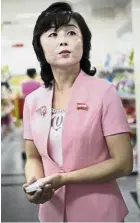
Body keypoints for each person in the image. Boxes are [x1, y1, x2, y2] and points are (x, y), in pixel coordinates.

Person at [23, 2, 133, 222]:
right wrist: (35, 184)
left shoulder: (104, 92)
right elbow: (33, 156)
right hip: (52, 213)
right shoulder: (33, 101)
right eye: (52, 34)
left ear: (84, 43)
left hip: (100, 213)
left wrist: (64, 179)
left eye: (71, 32)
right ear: (40, 47)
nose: (62, 40)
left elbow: (123, 162)